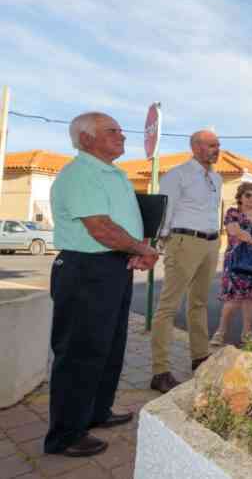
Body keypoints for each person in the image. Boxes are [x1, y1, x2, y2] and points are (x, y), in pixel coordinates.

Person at [45, 112, 159, 457]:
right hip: (85, 269)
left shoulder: (112, 174)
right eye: (112, 131)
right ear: (86, 139)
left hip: (111, 266)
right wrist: (141, 249)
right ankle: (65, 435)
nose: (122, 136)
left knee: (108, 348)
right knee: (80, 352)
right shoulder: (81, 173)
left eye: (121, 130)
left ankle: (95, 412)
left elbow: (118, 225)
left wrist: (135, 250)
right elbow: (101, 228)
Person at [149, 130, 222, 394]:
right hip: (184, 241)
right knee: (168, 306)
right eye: (212, 145)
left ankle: (200, 357)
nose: (217, 149)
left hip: (211, 242)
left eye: (218, 145)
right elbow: (165, 209)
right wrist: (163, 241)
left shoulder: (217, 178)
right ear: (196, 147)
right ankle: (160, 371)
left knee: (199, 303)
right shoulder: (177, 175)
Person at [211, 182, 252, 344]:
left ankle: (247, 333)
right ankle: (220, 332)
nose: (251, 198)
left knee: (251, 300)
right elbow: (233, 231)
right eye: (248, 195)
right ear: (240, 197)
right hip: (235, 262)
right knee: (233, 300)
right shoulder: (233, 213)